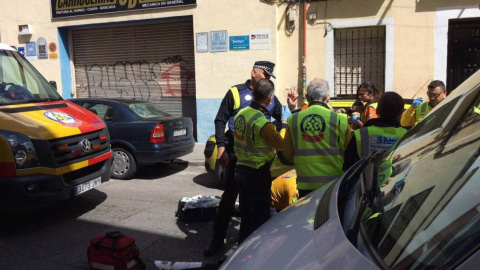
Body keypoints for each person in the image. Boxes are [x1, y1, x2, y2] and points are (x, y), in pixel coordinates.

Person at [204, 61, 283, 256]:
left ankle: (247, 248)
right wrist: (221, 147)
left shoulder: (270, 97)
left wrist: (276, 132)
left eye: (269, 77)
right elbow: (220, 119)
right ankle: (217, 240)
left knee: (250, 207)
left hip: (256, 163)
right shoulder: (235, 92)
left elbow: (280, 119)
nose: (267, 79)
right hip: (233, 154)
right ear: (255, 72)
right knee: (229, 199)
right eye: (265, 74)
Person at [233, 79, 290, 244]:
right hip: (257, 173)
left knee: (245, 216)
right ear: (270, 98)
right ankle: (257, 251)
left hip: (241, 170)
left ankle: (242, 247)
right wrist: (285, 123)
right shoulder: (263, 123)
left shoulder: (240, 115)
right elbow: (282, 145)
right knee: (260, 217)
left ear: (252, 93)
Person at [283, 78, 351, 198]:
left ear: (307, 97)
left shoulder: (293, 120)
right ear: (328, 98)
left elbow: (287, 153)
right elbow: (350, 153)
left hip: (305, 185)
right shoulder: (341, 120)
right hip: (333, 184)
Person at [343, 92, 408, 171]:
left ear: (377, 111)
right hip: (394, 181)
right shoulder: (407, 135)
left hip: (364, 182)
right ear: (401, 113)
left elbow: (347, 167)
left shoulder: (360, 134)